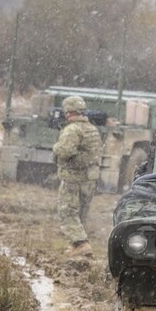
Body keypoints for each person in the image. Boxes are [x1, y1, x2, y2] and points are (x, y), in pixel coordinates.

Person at [52, 95, 102, 257]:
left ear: (69, 112)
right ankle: (77, 245)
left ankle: (81, 244)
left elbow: (65, 151)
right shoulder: (92, 129)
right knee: (81, 213)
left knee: (67, 211)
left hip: (74, 178)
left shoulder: (73, 129)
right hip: (89, 178)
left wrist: (56, 148)